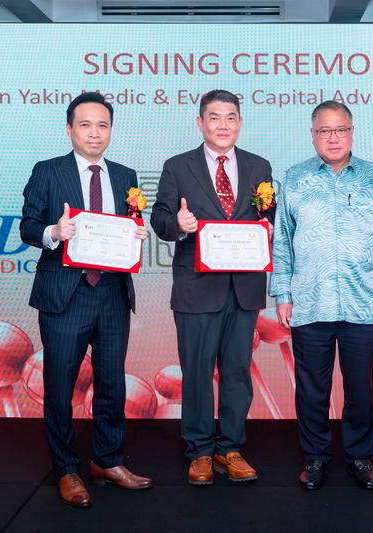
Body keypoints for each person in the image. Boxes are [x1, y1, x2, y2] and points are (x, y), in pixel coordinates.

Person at [20, 91, 153, 508]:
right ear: (69, 129)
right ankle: (66, 468)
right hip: (65, 293)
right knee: (60, 386)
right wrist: (54, 234)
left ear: (110, 130)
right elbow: (27, 226)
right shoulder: (47, 170)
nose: (95, 133)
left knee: (112, 383)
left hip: (113, 293)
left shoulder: (125, 174)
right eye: (85, 124)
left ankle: (108, 461)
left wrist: (136, 235)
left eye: (102, 125)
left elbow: (126, 226)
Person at [269, 100, 373, 490]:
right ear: (312, 135)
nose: (333, 138)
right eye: (324, 131)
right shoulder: (294, 178)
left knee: (360, 386)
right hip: (309, 300)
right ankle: (315, 457)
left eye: (340, 129)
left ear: (352, 132)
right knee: (312, 386)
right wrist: (282, 294)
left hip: (363, 301)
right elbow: (283, 242)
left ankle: (360, 456)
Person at [150, 89, 274, 486]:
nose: (223, 125)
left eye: (231, 117)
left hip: (244, 287)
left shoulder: (259, 166)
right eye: (215, 117)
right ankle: (200, 451)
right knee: (198, 372)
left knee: (237, 371)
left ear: (240, 122)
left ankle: (230, 448)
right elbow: (160, 219)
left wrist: (268, 228)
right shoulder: (178, 166)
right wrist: (178, 226)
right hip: (196, 287)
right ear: (200, 122)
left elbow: (266, 215)